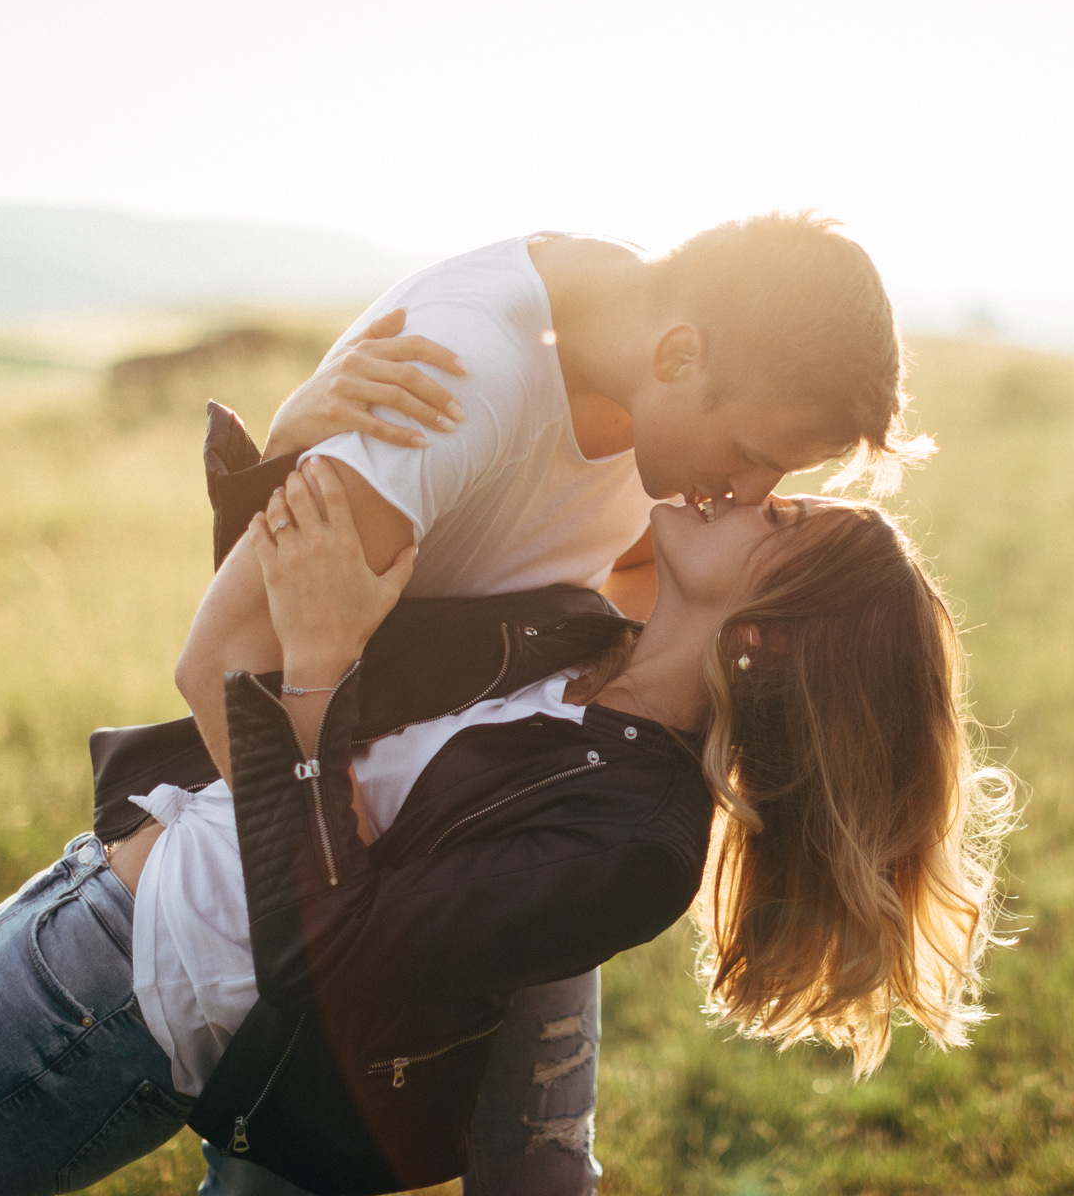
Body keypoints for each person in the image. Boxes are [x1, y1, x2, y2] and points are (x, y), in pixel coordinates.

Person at [0, 450, 1014, 1193]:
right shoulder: (575, 633)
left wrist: (311, 668)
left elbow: (332, 950)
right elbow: (339, 622)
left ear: (765, 631)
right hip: (72, 899)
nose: (751, 489)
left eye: (780, 520)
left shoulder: (638, 843)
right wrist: (316, 457)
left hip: (122, 1012)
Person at [174, 211, 931, 1194]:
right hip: (432, 837)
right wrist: (299, 450)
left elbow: (601, 587)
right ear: (678, 355)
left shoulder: (646, 422)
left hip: (495, 820)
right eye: (755, 457)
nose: (749, 490)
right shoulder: (482, 380)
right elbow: (236, 659)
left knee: (539, 1153)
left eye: (784, 484)